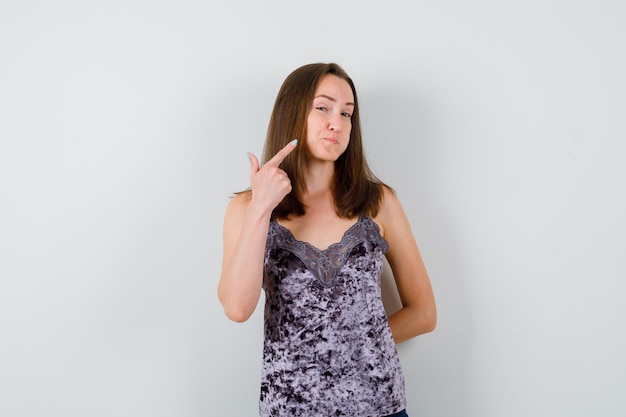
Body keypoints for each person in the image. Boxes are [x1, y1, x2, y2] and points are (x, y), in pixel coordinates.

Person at [218, 63, 436, 417]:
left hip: (379, 407)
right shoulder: (246, 208)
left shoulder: (380, 202)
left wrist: (347, 346)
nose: (337, 122)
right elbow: (237, 308)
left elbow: (424, 313)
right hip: (289, 409)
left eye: (347, 113)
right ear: (293, 111)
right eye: (323, 107)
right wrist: (262, 207)